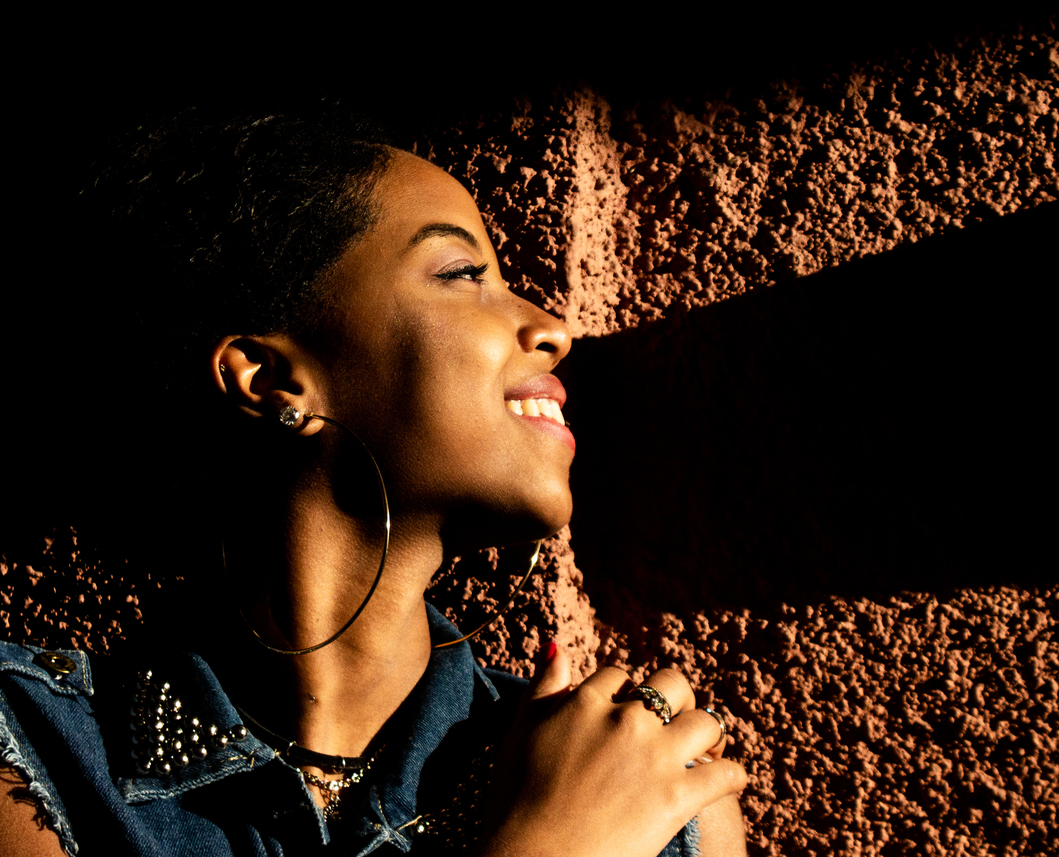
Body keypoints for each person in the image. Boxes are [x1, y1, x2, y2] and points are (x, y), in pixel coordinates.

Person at [0, 106, 748, 855]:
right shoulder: (32, 758)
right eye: (462, 274)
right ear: (269, 377)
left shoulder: (661, 801)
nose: (552, 327)